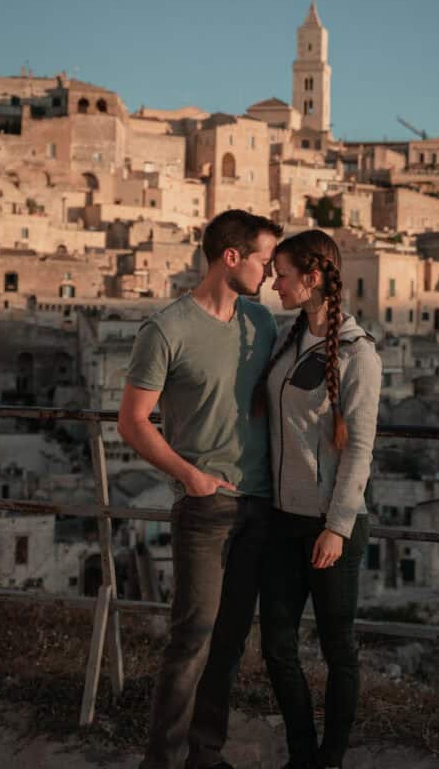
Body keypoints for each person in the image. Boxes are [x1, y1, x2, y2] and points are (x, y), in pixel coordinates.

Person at [117, 209, 283, 769]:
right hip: (206, 505)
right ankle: (160, 761)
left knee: (230, 644)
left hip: (261, 505)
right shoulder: (166, 329)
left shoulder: (261, 324)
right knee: (191, 641)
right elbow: (133, 421)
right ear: (231, 258)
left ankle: (204, 756)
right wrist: (190, 476)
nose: (269, 271)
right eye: (263, 259)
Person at [257, 229, 382, 769]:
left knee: (338, 650)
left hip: (332, 527)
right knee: (276, 646)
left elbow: (359, 450)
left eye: (282, 274)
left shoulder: (359, 354)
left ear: (310, 278)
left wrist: (337, 527)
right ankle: (303, 755)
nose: (273, 282)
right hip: (283, 519)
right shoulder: (289, 341)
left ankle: (329, 760)